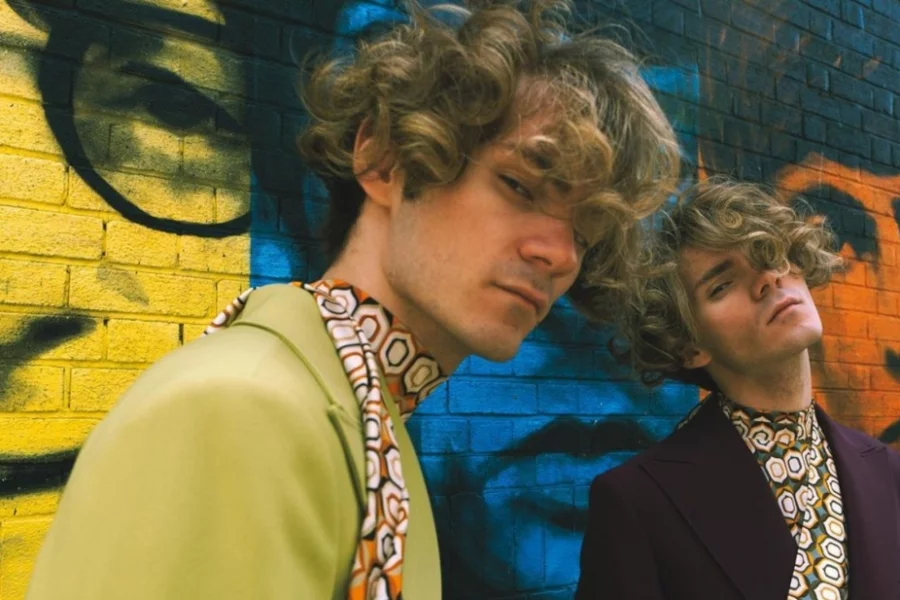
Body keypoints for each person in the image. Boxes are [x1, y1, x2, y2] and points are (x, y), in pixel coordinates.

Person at [26, 1, 680, 599]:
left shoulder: (363, 421)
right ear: (384, 159)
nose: (559, 254)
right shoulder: (243, 409)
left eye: (584, 231)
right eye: (519, 186)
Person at [577, 178, 900, 599]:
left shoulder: (888, 473)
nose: (768, 278)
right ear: (689, 346)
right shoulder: (639, 501)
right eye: (722, 285)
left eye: (771, 253)